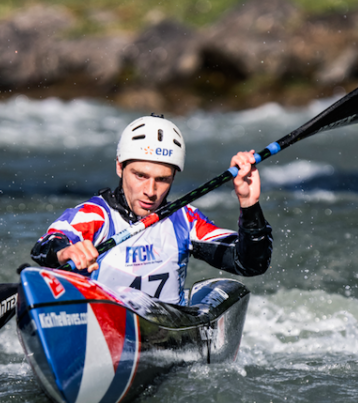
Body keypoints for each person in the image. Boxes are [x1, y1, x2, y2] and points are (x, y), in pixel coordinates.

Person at [30, 114, 272, 305]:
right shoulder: (95, 216)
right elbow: (46, 246)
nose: (150, 190)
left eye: (163, 179)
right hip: (102, 329)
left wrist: (249, 204)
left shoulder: (184, 220)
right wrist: (66, 252)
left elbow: (250, 263)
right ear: (119, 167)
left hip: (165, 336)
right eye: (140, 175)